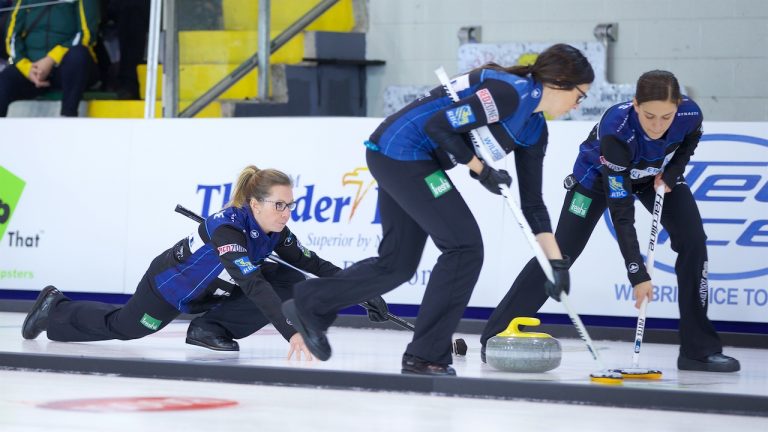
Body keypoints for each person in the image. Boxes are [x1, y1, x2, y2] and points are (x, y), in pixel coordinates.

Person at [282, 43, 595, 375]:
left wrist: (556, 262)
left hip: (410, 158)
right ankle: (426, 354)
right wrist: (481, 169)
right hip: (401, 150)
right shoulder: (509, 94)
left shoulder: (534, 128)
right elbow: (438, 125)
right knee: (464, 247)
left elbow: (533, 203)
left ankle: (309, 304)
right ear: (560, 81)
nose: (578, 104)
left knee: (397, 265)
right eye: (580, 95)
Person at [480, 70, 740, 373]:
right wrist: (637, 273)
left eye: (666, 117)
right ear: (635, 105)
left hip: (652, 175)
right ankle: (496, 336)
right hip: (597, 181)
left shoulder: (689, 113)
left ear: (678, 106)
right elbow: (621, 212)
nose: (657, 126)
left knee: (694, 241)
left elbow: (691, 138)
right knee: (560, 253)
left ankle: (698, 351)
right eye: (649, 116)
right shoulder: (616, 130)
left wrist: (673, 170)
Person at [22, 166, 388, 360]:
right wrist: (291, 331)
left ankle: (209, 329)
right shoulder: (228, 229)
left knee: (290, 278)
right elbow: (253, 285)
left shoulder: (276, 231)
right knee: (127, 326)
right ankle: (55, 307)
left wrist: (359, 291)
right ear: (255, 204)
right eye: (280, 205)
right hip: (170, 287)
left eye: (291, 205)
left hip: (213, 293)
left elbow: (317, 264)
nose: (287, 212)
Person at [0, 0, 100, 117]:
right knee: (4, 81)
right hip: (33, 69)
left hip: (66, 67)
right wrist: (27, 68)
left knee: (78, 55)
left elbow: (86, 35)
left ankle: (68, 117)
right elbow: (12, 36)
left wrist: (51, 59)